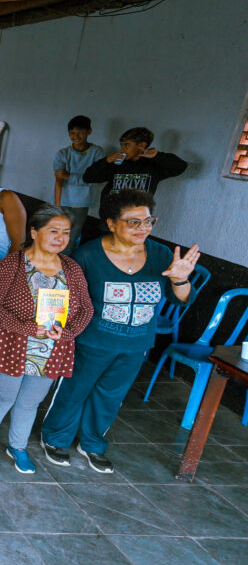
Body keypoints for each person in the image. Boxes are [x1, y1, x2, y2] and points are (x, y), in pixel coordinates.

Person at [39, 189, 199, 473]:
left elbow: (182, 298)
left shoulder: (161, 255)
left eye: (148, 221)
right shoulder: (88, 255)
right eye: (133, 222)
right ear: (111, 223)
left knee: (111, 395)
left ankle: (92, 443)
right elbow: (70, 296)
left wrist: (181, 279)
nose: (143, 228)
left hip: (136, 344)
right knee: (75, 390)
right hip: (93, 341)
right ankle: (55, 438)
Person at [0, 206, 95, 473]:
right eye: (53, 231)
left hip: (52, 349)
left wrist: (68, 333)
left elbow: (87, 309)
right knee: (1, 398)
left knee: (30, 402)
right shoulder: (14, 264)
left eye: (66, 232)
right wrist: (25, 327)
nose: (60, 238)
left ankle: (17, 446)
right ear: (34, 232)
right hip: (11, 343)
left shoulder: (71, 269)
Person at [84, 126, 188, 201]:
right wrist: (106, 161)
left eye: (127, 145)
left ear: (142, 145)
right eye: (121, 145)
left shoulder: (153, 165)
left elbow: (180, 166)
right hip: (111, 220)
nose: (122, 149)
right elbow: (88, 177)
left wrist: (157, 156)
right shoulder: (116, 164)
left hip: (137, 222)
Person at [53, 115, 106, 255]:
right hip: (64, 201)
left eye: (81, 132)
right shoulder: (63, 153)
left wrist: (71, 176)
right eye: (72, 133)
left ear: (89, 131)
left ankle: (66, 264)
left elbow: (96, 178)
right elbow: (58, 180)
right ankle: (59, 260)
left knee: (73, 235)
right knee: (60, 233)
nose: (76, 136)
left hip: (81, 202)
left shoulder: (97, 152)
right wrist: (57, 204)